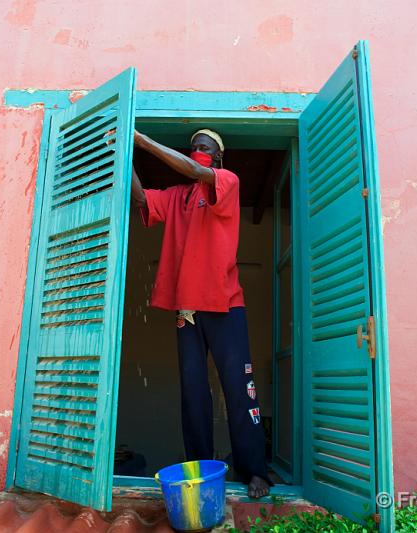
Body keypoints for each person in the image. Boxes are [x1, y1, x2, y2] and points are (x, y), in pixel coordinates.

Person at [131, 128, 272, 498]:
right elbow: (140, 198)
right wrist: (122, 154)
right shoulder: (176, 197)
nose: (198, 151)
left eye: (206, 147)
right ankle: (199, 469)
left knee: (239, 389)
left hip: (225, 304)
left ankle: (255, 470)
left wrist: (140, 140)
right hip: (188, 308)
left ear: (219, 156)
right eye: (194, 147)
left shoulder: (226, 180)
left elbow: (199, 173)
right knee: (192, 394)